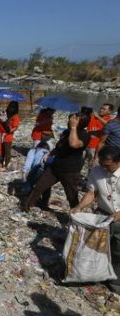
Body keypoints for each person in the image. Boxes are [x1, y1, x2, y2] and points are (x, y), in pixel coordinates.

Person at [71, 146, 120, 292]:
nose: (104, 167)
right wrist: (79, 207)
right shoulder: (97, 171)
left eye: (108, 165)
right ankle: (95, 276)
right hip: (102, 217)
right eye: (102, 163)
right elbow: (92, 193)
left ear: (118, 161)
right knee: (97, 248)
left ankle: (115, 283)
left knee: (118, 252)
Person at [22, 113, 90, 211]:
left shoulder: (84, 135)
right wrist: (49, 153)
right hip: (55, 167)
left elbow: (73, 144)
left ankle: (76, 215)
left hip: (70, 171)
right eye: (71, 119)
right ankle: (26, 206)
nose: (71, 121)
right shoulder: (66, 132)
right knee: (39, 186)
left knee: (72, 196)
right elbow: (59, 146)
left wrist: (74, 128)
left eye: (75, 119)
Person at [1, 101, 21, 170]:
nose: (11, 108)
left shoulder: (15, 116)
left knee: (7, 151)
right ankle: (1, 163)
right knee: (1, 150)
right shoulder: (7, 114)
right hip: (1, 135)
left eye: (12, 107)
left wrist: (9, 131)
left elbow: (15, 127)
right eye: (10, 107)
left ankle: (6, 165)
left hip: (8, 136)